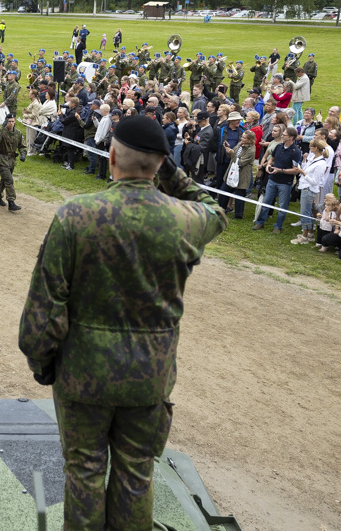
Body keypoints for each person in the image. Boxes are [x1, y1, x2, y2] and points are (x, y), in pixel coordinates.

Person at [19, 115, 226, 531]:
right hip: (149, 377)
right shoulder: (185, 219)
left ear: (110, 157)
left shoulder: (77, 216)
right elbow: (216, 211)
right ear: (160, 165)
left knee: (84, 473)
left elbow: (45, 305)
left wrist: (43, 364)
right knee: (136, 475)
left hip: (83, 375)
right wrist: (167, 169)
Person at [253, 126, 303, 233]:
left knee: (282, 206)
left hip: (285, 183)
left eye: (284, 134)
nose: (282, 135)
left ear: (291, 137)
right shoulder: (279, 146)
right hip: (272, 179)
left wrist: (281, 171)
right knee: (266, 202)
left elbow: (295, 170)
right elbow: (272, 158)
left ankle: (278, 226)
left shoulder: (296, 152)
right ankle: (260, 222)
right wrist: (268, 165)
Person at [0, 113, 27, 211]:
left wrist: (23, 154)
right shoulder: (1, 132)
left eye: (12, 121)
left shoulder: (18, 133)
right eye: (9, 121)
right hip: (2, 159)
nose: (11, 123)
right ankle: (11, 202)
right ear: (6, 122)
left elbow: (22, 145)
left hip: (12, 161)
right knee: (9, 180)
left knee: (4, 179)